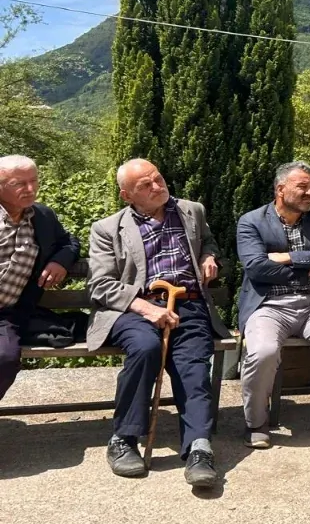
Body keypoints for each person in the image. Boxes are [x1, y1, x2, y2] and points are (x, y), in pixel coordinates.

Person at [86, 159, 223, 488]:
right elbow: (101, 285)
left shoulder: (192, 211)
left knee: (192, 364)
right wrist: (146, 308)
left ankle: (198, 448)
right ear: (126, 195)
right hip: (133, 309)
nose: (157, 186)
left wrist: (209, 257)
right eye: (145, 185)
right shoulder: (107, 229)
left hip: (188, 304)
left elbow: (208, 242)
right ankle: (124, 439)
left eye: (158, 179)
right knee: (146, 348)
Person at [237, 161, 310, 449]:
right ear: (280, 189)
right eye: (302, 186)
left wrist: (288, 257)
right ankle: (256, 422)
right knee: (263, 351)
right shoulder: (251, 221)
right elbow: (256, 268)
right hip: (269, 305)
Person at [0, 155, 80, 402]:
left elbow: (70, 242)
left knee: (5, 358)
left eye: (34, 181)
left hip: (7, 314)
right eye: (19, 184)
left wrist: (60, 261)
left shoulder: (42, 217)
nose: (30, 189)